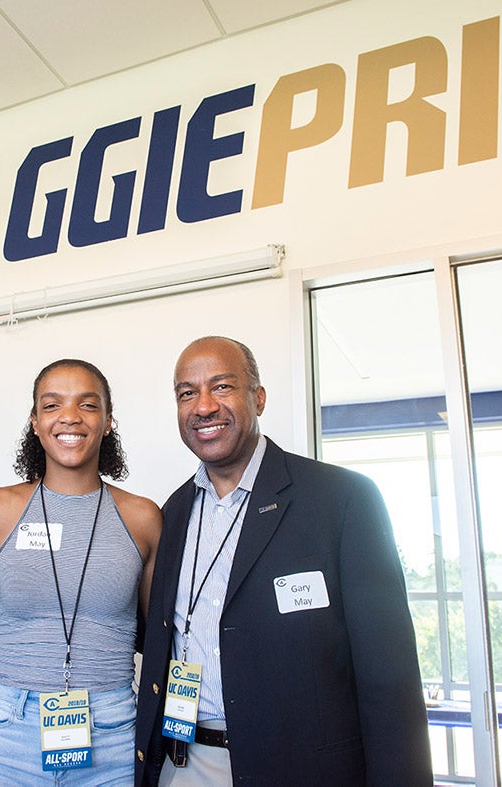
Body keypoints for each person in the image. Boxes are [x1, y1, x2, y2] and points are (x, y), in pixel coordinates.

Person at [134, 336, 432, 786]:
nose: (204, 406)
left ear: (259, 397)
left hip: (302, 770)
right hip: (184, 765)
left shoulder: (342, 500)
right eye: (187, 393)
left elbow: (390, 680)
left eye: (222, 386)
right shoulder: (171, 513)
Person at [0, 359, 162, 785]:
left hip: (112, 730)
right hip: (7, 726)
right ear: (34, 421)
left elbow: (161, 637)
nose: (69, 417)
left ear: (107, 421)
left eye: (87, 405)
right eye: (52, 405)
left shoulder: (143, 518)